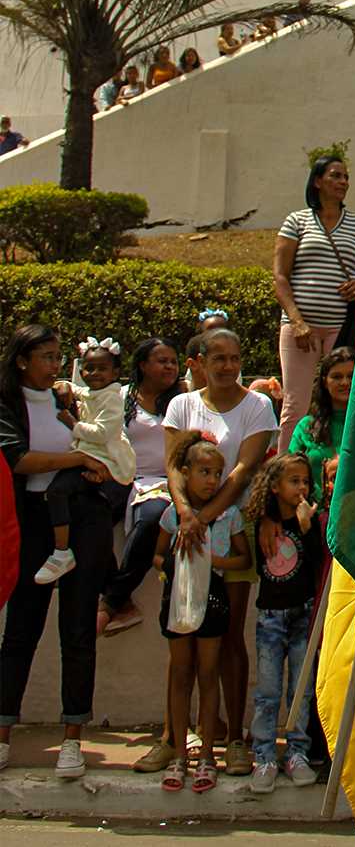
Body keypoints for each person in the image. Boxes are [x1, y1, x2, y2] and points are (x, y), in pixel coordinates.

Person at [0, 325, 114, 780]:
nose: (53, 365)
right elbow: (20, 460)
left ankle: (73, 739)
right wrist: (78, 460)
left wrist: (93, 467)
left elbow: (100, 442)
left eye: (56, 357)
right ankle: (4, 733)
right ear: (23, 360)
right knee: (19, 633)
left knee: (78, 631)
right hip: (31, 523)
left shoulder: (69, 400)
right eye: (45, 357)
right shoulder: (7, 405)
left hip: (83, 519)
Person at [163, 329, 277, 777]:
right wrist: (186, 515)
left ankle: (232, 738)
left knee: (228, 634)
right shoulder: (181, 406)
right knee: (181, 637)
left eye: (235, 357)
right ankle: (175, 737)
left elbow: (245, 470)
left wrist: (206, 517)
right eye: (219, 358)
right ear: (200, 361)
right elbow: (175, 467)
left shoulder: (258, 406)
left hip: (230, 528)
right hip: (186, 527)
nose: (228, 366)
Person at [154, 432, 249, 794]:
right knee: (181, 674)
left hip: (213, 600)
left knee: (209, 674)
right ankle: (179, 753)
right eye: (204, 472)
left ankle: (208, 754)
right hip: (177, 601)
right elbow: (158, 555)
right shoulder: (170, 515)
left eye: (217, 474)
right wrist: (172, 569)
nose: (211, 481)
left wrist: (215, 562)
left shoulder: (229, 517)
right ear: (186, 473)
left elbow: (245, 558)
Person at [273, 155, 355, 452]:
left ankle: (339, 464)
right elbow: (280, 276)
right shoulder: (296, 221)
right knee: (295, 404)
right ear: (318, 181)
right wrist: (296, 321)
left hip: (341, 326)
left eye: (345, 177)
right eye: (336, 176)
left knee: (343, 400)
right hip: (300, 329)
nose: (343, 182)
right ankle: (287, 468)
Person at [246, 453, 324, 792]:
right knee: (268, 690)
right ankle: (263, 756)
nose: (302, 487)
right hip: (271, 619)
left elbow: (317, 564)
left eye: (306, 481)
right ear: (275, 487)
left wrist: (307, 528)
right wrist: (265, 518)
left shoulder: (311, 520)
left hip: (302, 615)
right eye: (294, 481)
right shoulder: (263, 523)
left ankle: (297, 753)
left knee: (301, 690)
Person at [101, 337, 184, 647]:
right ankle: (121, 601)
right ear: (142, 365)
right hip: (121, 478)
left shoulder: (182, 400)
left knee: (152, 520)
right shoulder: (121, 397)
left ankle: (111, 602)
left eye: (173, 361)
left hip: (163, 483)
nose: (170, 367)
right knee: (88, 520)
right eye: (162, 361)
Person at [35, 337, 135, 585]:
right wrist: (63, 385)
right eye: (89, 368)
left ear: (116, 372)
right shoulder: (94, 392)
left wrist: (73, 424)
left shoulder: (112, 399)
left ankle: (61, 552)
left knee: (57, 491)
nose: (95, 373)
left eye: (102, 368)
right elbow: (79, 391)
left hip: (104, 458)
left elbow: (102, 433)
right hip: (88, 457)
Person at [289, 347, 354, 507]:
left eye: (351, 376)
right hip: (313, 518)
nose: (345, 382)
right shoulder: (306, 426)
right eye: (337, 377)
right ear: (325, 381)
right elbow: (287, 473)